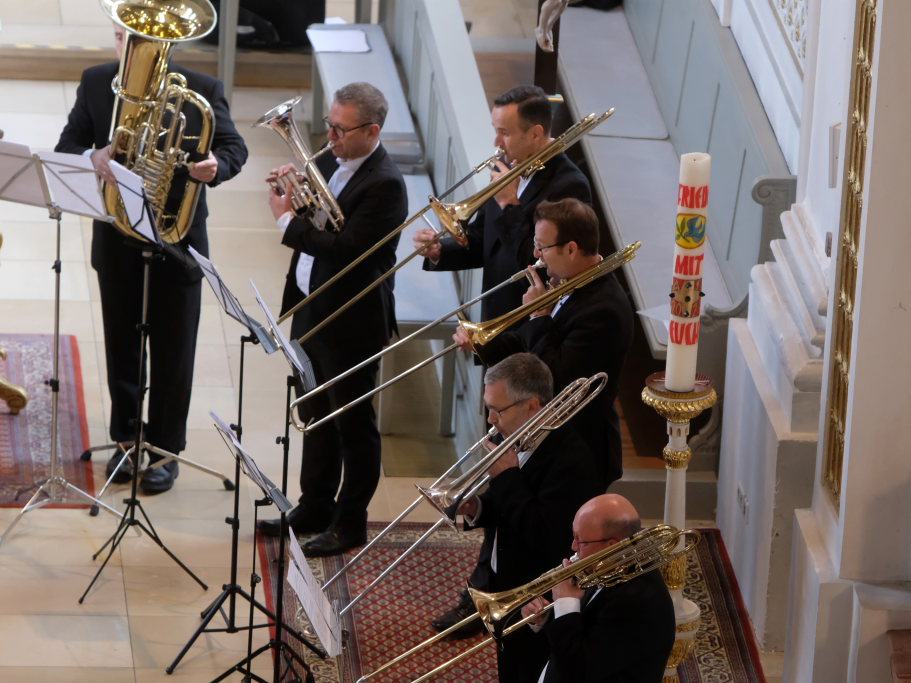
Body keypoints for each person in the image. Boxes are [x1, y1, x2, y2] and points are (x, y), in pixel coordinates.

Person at [55, 24, 248, 494]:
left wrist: (216, 167)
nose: (130, 46)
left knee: (173, 353)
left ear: (168, 43)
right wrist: (94, 156)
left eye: (141, 38)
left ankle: (164, 451)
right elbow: (67, 147)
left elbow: (233, 148)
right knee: (121, 347)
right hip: (116, 238)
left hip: (178, 242)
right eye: (123, 36)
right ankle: (126, 442)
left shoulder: (202, 89)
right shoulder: (97, 81)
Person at [258, 82, 408, 558]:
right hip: (312, 309)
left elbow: (345, 251)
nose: (330, 137)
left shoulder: (386, 185)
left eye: (341, 129)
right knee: (314, 412)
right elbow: (318, 219)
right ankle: (315, 505)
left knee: (352, 425)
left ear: (372, 131)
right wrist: (291, 191)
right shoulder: (328, 162)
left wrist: (286, 220)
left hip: (351, 322)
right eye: (329, 124)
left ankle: (349, 523)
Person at [431, 353, 602, 683]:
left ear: (532, 406)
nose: (491, 420)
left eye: (498, 410)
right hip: (505, 582)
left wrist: (508, 478)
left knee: (529, 670)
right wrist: (477, 508)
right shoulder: (512, 438)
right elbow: (505, 508)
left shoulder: (571, 461)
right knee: (509, 665)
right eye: (488, 408)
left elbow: (544, 535)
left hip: (537, 599)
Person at [454, 197, 634, 489]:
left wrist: (538, 316)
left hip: (574, 453)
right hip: (543, 438)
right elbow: (528, 345)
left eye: (542, 246)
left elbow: (553, 377)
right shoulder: (569, 279)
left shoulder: (605, 309)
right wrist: (481, 343)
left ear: (571, 249)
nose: (536, 254)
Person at [413, 85, 591, 321]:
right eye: (496, 131)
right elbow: (484, 241)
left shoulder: (570, 186)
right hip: (493, 316)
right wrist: (439, 251)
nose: (496, 142)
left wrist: (509, 204)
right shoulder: (505, 166)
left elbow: (543, 267)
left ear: (535, 133)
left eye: (504, 133)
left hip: (530, 323)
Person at [520, 494, 676, 682]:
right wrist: (547, 616)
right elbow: (587, 625)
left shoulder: (638, 602)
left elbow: (576, 671)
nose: (573, 546)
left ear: (611, 546)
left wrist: (565, 602)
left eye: (581, 541)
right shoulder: (612, 564)